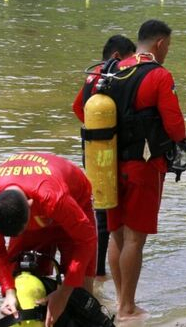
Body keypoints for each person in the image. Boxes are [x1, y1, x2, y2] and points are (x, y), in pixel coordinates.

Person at [106, 19, 186, 321]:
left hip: (107, 165)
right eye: (169, 47)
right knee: (134, 239)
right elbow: (175, 125)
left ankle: (118, 300)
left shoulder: (110, 71)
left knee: (115, 234)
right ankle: (128, 307)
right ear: (160, 44)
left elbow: (80, 107)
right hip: (142, 167)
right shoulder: (158, 75)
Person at [0, 152, 97, 326]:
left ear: (30, 206)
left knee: (81, 296)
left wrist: (64, 293)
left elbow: (87, 239)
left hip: (74, 202)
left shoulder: (53, 198)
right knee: (21, 282)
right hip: (33, 208)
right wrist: (8, 291)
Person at [72, 34, 135, 281]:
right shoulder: (114, 77)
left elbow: (78, 107)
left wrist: (95, 133)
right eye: (129, 60)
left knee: (98, 207)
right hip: (110, 151)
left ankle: (97, 270)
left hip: (92, 150)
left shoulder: (92, 76)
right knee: (108, 214)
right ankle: (100, 271)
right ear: (117, 57)